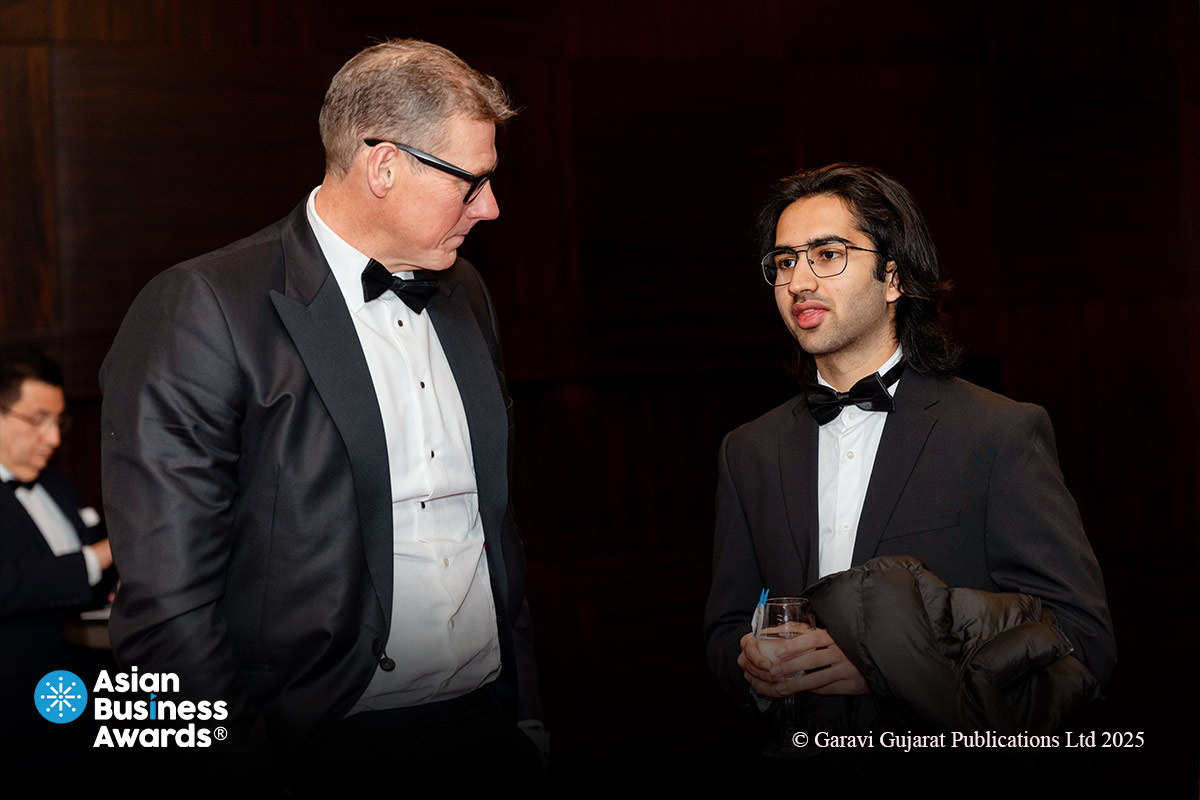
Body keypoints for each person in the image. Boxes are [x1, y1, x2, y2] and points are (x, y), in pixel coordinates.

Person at [100, 39, 542, 782]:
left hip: (484, 729)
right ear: (384, 166)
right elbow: (168, 611)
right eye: (471, 183)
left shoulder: (466, 291)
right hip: (315, 746)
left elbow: (490, 522)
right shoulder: (205, 309)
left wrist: (526, 716)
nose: (490, 206)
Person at [704, 164, 1115, 746]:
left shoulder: (997, 434)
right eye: (785, 261)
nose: (799, 281)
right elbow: (725, 628)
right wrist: (751, 665)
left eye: (827, 255)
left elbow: (1080, 636)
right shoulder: (748, 450)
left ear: (892, 278)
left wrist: (888, 670)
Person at [1, 347, 114, 762]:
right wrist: (103, 553)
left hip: (88, 694)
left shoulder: (58, 484)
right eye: (38, 420)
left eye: (58, 421)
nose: (54, 438)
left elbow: (90, 581)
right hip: (17, 711)